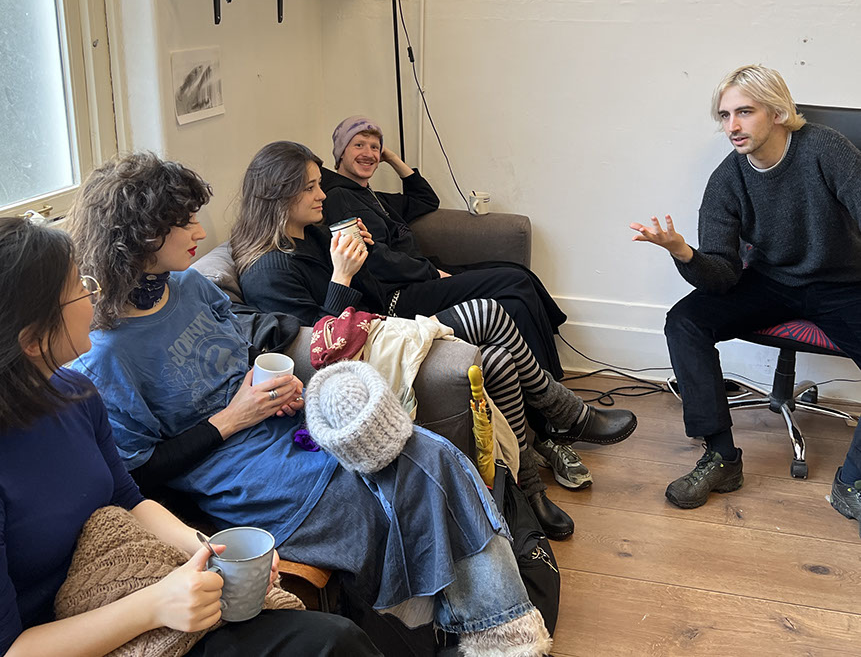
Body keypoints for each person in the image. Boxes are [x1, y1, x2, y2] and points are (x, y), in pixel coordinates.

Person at [67, 152, 553, 657]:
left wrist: (277, 387)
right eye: (185, 221)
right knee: (381, 503)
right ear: (144, 235)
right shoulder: (105, 356)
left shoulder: (190, 286)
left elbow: (243, 357)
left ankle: (500, 635)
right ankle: (479, 632)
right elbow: (142, 473)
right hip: (242, 473)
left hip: (286, 424)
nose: (201, 230)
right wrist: (232, 418)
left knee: (432, 453)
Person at [0, 217, 380, 657]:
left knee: (334, 639)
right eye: (79, 288)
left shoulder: (77, 394)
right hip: (81, 632)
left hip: (131, 585)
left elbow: (128, 497)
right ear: (32, 340)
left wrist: (210, 549)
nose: (95, 295)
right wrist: (155, 605)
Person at [232, 141, 638, 539]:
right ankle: (569, 414)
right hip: (359, 364)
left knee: (497, 360)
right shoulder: (268, 271)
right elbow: (318, 352)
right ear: (278, 195)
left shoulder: (316, 235)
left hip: (383, 329)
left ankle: (527, 492)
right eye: (310, 187)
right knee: (487, 312)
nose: (322, 195)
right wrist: (341, 276)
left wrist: (364, 258)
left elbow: (371, 298)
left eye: (319, 184)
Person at [631, 64, 861, 525]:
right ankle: (721, 458)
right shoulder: (727, 179)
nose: (732, 126)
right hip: (771, 282)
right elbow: (721, 275)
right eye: (724, 115)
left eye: (744, 112)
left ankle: (851, 482)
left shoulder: (826, 149)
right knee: (686, 321)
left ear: (777, 112)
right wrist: (684, 253)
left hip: (843, 283)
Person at [321, 116, 568, 381]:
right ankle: (551, 387)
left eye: (374, 147)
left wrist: (391, 158)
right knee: (515, 280)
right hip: (398, 295)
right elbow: (374, 259)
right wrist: (432, 272)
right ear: (341, 152)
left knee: (516, 279)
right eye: (359, 145)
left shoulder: (372, 196)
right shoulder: (339, 196)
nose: (369, 154)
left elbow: (426, 199)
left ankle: (548, 384)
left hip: (419, 278)